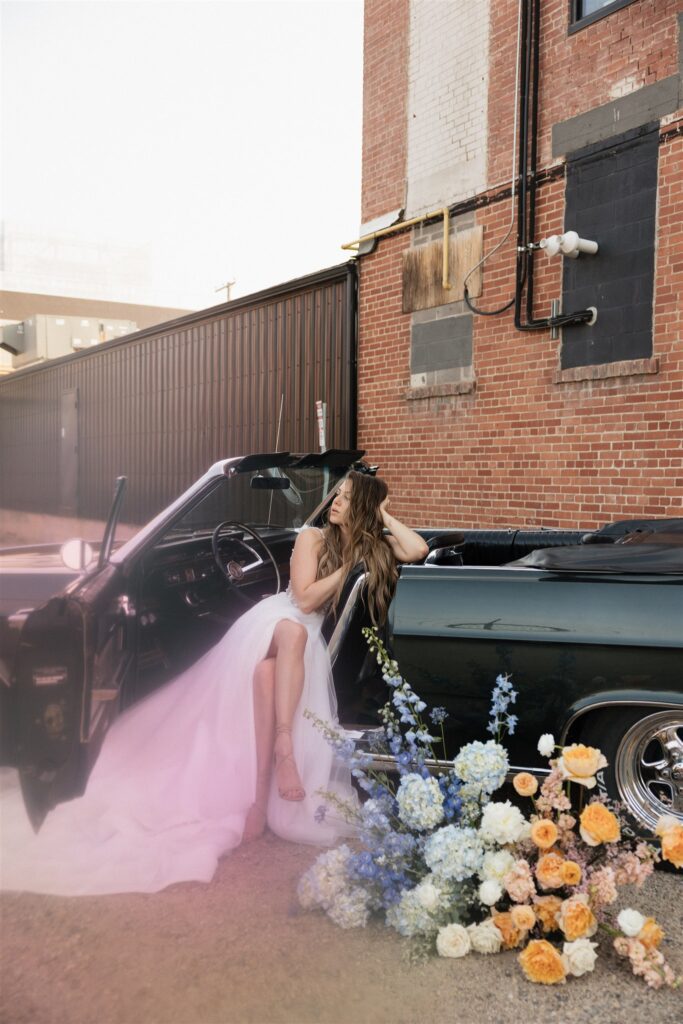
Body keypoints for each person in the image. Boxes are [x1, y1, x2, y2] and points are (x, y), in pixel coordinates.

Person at [0, 471, 428, 896]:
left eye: (349, 498)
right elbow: (304, 599)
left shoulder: (369, 543)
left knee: (267, 675)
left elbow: (418, 548)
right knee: (293, 633)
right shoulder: (310, 538)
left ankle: (259, 800)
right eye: (339, 493)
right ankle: (284, 748)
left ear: (364, 508)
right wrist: (351, 564)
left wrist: (383, 515)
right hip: (275, 624)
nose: (336, 501)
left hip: (302, 647)